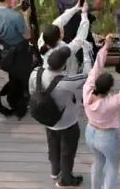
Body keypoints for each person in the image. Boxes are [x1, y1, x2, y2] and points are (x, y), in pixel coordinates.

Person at [29, 41, 93, 187]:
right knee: (67, 152)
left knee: (53, 146)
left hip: (47, 119)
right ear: (63, 66)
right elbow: (88, 74)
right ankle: (65, 180)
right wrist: (85, 51)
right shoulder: (66, 81)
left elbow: (32, 91)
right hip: (67, 122)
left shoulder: (36, 73)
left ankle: (55, 170)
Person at [83, 34, 120, 189]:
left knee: (98, 162)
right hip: (107, 137)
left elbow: (96, 67)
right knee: (112, 168)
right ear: (109, 89)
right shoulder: (111, 102)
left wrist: (106, 47)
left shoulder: (87, 90)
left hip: (90, 132)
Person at [0, 0, 32, 118]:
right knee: (25, 74)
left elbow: (5, 15)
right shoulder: (16, 17)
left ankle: (14, 93)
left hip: (5, 49)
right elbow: (27, 35)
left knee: (13, 73)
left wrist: (16, 7)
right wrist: (25, 16)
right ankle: (25, 96)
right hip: (19, 50)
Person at [38, 0, 91, 76]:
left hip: (47, 75)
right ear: (60, 37)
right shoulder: (64, 50)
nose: (61, 27)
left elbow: (59, 21)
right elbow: (80, 37)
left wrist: (76, 7)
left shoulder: (43, 39)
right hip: (65, 78)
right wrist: (84, 14)